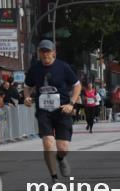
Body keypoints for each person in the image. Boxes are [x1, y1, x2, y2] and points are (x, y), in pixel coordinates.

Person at [23, 40, 81, 180]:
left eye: (48, 51)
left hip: (62, 110)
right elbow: (27, 86)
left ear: (54, 53)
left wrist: (71, 103)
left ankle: (61, 158)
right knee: (48, 143)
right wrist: (27, 97)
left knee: (63, 148)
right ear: (38, 53)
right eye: (42, 51)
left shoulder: (63, 67)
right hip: (44, 111)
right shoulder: (35, 69)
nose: (45, 54)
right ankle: (54, 178)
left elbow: (77, 85)